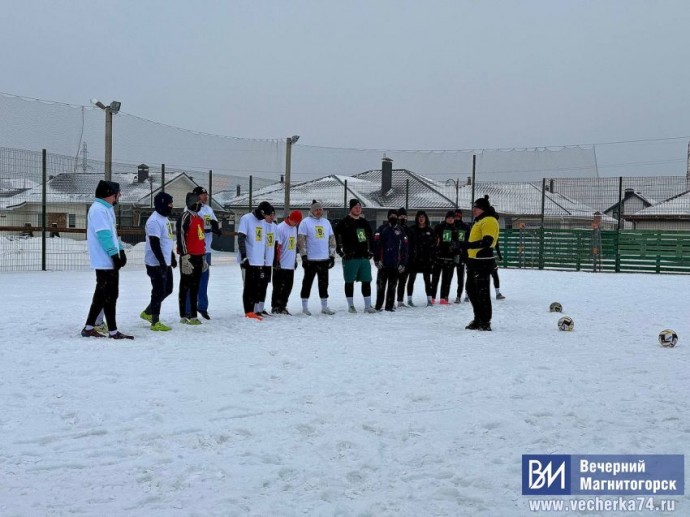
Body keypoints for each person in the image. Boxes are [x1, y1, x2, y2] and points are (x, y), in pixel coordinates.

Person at [81, 180, 133, 339]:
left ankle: (90, 328)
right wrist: (113, 255)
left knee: (104, 295)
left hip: (108, 260)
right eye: (118, 192)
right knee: (108, 295)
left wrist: (121, 251)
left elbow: (112, 233)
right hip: (104, 261)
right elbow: (103, 235)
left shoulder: (106, 209)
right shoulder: (98, 210)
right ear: (109, 194)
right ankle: (112, 331)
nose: (120, 195)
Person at [457, 195, 500, 331]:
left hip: (482, 261)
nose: (474, 210)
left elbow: (487, 241)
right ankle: (478, 317)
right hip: (473, 261)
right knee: (471, 289)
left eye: (476, 208)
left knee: (482, 291)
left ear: (483, 209)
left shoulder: (489, 220)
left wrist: (467, 245)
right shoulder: (479, 221)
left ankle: (485, 320)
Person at [141, 192, 177, 331]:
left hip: (165, 261)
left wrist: (172, 257)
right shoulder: (154, 221)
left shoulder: (165, 219)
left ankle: (148, 312)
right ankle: (155, 322)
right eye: (169, 203)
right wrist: (161, 261)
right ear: (162, 204)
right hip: (155, 263)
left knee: (168, 289)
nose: (171, 206)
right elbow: (155, 243)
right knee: (158, 290)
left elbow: (166, 241)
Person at [185, 186, 221, 320]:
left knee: (203, 281)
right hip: (193, 251)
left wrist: (215, 226)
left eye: (206, 194)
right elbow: (192, 229)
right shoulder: (190, 209)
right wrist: (207, 228)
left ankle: (202, 307)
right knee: (191, 281)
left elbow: (214, 222)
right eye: (203, 195)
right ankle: (188, 309)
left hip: (206, 251)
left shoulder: (208, 209)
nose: (206, 197)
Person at [334, 198, 376, 314]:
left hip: (363, 257)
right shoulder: (344, 222)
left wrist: (371, 251)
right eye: (355, 207)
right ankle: (351, 305)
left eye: (359, 207)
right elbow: (335, 237)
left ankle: (368, 306)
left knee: (366, 280)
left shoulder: (363, 222)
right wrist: (340, 251)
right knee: (349, 281)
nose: (358, 209)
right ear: (351, 209)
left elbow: (370, 237)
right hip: (350, 257)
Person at [297, 200, 337, 315]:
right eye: (316, 210)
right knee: (307, 283)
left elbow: (332, 239)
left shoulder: (326, 223)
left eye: (320, 209)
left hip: (324, 259)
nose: (319, 212)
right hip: (311, 260)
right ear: (312, 211)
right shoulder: (305, 222)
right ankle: (305, 307)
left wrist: (332, 255)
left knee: (324, 283)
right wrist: (304, 256)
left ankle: (324, 307)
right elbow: (301, 240)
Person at [237, 201, 273, 320]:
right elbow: (241, 238)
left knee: (257, 287)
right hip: (248, 260)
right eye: (266, 214)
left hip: (259, 261)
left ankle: (254, 310)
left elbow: (262, 241)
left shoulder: (262, 222)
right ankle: (248, 311)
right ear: (262, 212)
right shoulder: (246, 219)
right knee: (249, 286)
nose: (266, 217)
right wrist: (244, 256)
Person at [176, 192, 207, 325]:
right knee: (185, 286)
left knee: (195, 286)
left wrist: (204, 256)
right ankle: (183, 314)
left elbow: (201, 238)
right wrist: (184, 256)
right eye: (198, 202)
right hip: (188, 257)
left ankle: (193, 315)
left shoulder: (200, 219)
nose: (200, 205)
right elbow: (181, 236)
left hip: (199, 256)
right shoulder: (185, 217)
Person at [373, 209, 408, 312]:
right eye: (391, 215)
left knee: (392, 287)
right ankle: (378, 306)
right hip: (383, 264)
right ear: (388, 217)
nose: (393, 217)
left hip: (395, 264)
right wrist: (376, 259)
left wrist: (403, 263)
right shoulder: (381, 229)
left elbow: (404, 248)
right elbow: (376, 245)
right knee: (380, 286)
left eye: (395, 215)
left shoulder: (401, 230)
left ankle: (389, 306)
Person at [271, 210, 303, 314]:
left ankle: (283, 306)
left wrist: (294, 260)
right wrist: (277, 261)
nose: (296, 224)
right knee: (278, 286)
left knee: (288, 287)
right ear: (290, 218)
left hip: (290, 264)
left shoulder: (294, 228)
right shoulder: (280, 228)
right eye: (295, 221)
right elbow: (278, 247)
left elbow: (293, 246)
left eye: (298, 222)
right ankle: (275, 306)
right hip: (281, 264)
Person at [406, 210, 436, 306]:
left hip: (426, 259)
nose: (421, 218)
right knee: (411, 279)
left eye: (423, 217)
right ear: (417, 218)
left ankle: (429, 300)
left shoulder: (430, 231)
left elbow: (433, 245)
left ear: (426, 218)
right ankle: (409, 300)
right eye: (419, 217)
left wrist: (432, 257)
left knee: (427, 280)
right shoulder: (412, 230)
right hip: (414, 259)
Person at [431, 210, 459, 305]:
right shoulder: (439, 227)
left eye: (452, 218)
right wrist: (436, 251)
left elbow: (457, 243)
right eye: (449, 218)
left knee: (446, 280)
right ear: (446, 218)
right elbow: (434, 241)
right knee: (435, 279)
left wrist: (455, 253)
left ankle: (444, 297)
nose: (451, 220)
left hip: (450, 259)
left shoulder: (455, 229)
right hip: (439, 257)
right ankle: (432, 297)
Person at [257, 209, 278, 316]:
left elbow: (275, 243)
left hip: (269, 261)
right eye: (269, 214)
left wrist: (275, 260)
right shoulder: (261, 225)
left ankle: (261, 308)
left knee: (265, 284)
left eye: (273, 215)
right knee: (258, 285)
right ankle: (255, 308)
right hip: (260, 260)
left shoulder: (274, 227)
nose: (271, 216)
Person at [395, 207, 413, 308]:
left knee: (402, 281)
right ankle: (390, 300)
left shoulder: (409, 230)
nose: (403, 218)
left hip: (405, 260)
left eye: (404, 216)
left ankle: (400, 301)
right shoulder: (394, 228)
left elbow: (411, 245)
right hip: (394, 259)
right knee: (393, 282)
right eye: (401, 216)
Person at [453, 208, 471, 303]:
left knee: (467, 274)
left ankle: (467, 294)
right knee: (459, 276)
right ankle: (458, 295)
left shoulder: (465, 227)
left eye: (458, 215)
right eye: (455, 215)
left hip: (465, 254)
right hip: (455, 254)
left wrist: (464, 248)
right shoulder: (451, 226)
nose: (457, 217)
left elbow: (468, 240)